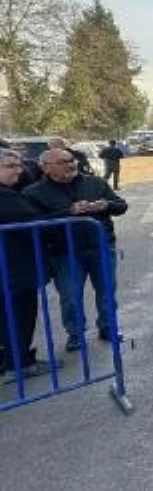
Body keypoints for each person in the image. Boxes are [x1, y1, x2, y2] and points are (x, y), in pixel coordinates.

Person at [24, 148, 128, 350]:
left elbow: (121, 206)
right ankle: (76, 334)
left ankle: (108, 327)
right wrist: (68, 212)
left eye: (71, 160)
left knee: (107, 291)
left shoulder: (94, 182)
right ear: (45, 168)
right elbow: (34, 222)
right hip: (64, 252)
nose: (70, 164)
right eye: (62, 162)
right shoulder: (33, 193)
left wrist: (106, 205)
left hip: (101, 246)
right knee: (71, 296)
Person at [0, 148, 53, 377]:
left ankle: (11, 360)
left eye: (19, 165)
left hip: (12, 269)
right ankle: (20, 363)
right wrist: (68, 213)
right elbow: (33, 220)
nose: (19, 170)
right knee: (19, 316)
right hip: (13, 271)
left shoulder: (11, 192)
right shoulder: (6, 198)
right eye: (10, 166)